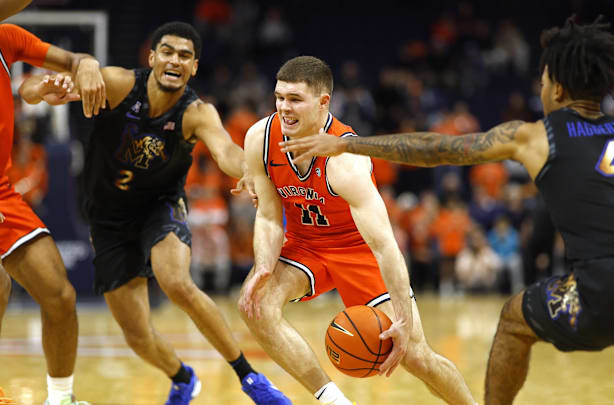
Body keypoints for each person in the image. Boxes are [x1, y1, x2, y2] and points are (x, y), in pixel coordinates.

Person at [281, 16, 614, 404]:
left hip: (609, 286)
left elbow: (439, 149)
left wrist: (347, 142)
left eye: (543, 81)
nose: (540, 88)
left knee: (513, 319)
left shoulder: (537, 135)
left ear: (559, 88)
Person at [23, 21, 291, 405]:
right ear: (152, 58)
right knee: (137, 334)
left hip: (159, 207)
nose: (175, 60)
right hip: (108, 220)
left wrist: (250, 170)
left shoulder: (196, 112)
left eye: (185, 55)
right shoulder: (116, 84)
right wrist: (44, 91)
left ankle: (250, 379)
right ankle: (182, 378)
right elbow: (30, 90)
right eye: (167, 51)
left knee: (176, 282)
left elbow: (226, 151)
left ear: (194, 67)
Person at [238, 55, 478, 405]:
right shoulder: (260, 138)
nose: (283, 108)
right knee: (254, 303)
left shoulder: (345, 161)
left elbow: (384, 246)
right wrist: (263, 264)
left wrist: (404, 318)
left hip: (358, 250)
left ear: (323, 102)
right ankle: (333, 400)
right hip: (305, 244)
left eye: (295, 99)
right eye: (279, 97)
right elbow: (270, 216)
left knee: (415, 355)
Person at [2, 0, 106, 402]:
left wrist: (87, 66)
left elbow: (65, 65)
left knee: (59, 295)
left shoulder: (7, 38)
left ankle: (60, 398)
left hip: (2, 192)